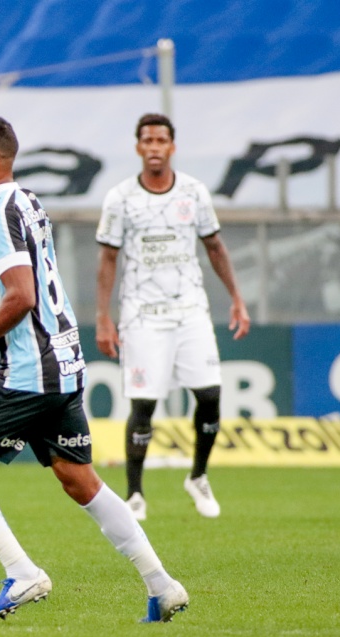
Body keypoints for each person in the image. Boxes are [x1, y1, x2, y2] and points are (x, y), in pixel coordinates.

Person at [0, 116, 187, 623]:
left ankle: (22, 573)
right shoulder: (24, 199)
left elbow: (22, 295)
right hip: (62, 364)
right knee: (79, 480)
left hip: (31, 374)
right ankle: (162, 583)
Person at [96, 113, 251, 521]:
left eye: (161, 140)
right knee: (144, 403)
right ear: (138, 147)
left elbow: (215, 247)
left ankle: (197, 476)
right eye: (146, 140)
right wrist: (103, 318)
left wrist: (236, 297)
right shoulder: (120, 198)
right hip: (142, 314)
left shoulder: (195, 193)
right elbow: (108, 258)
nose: (153, 147)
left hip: (190, 310)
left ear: (171, 146)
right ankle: (134, 494)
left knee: (211, 397)